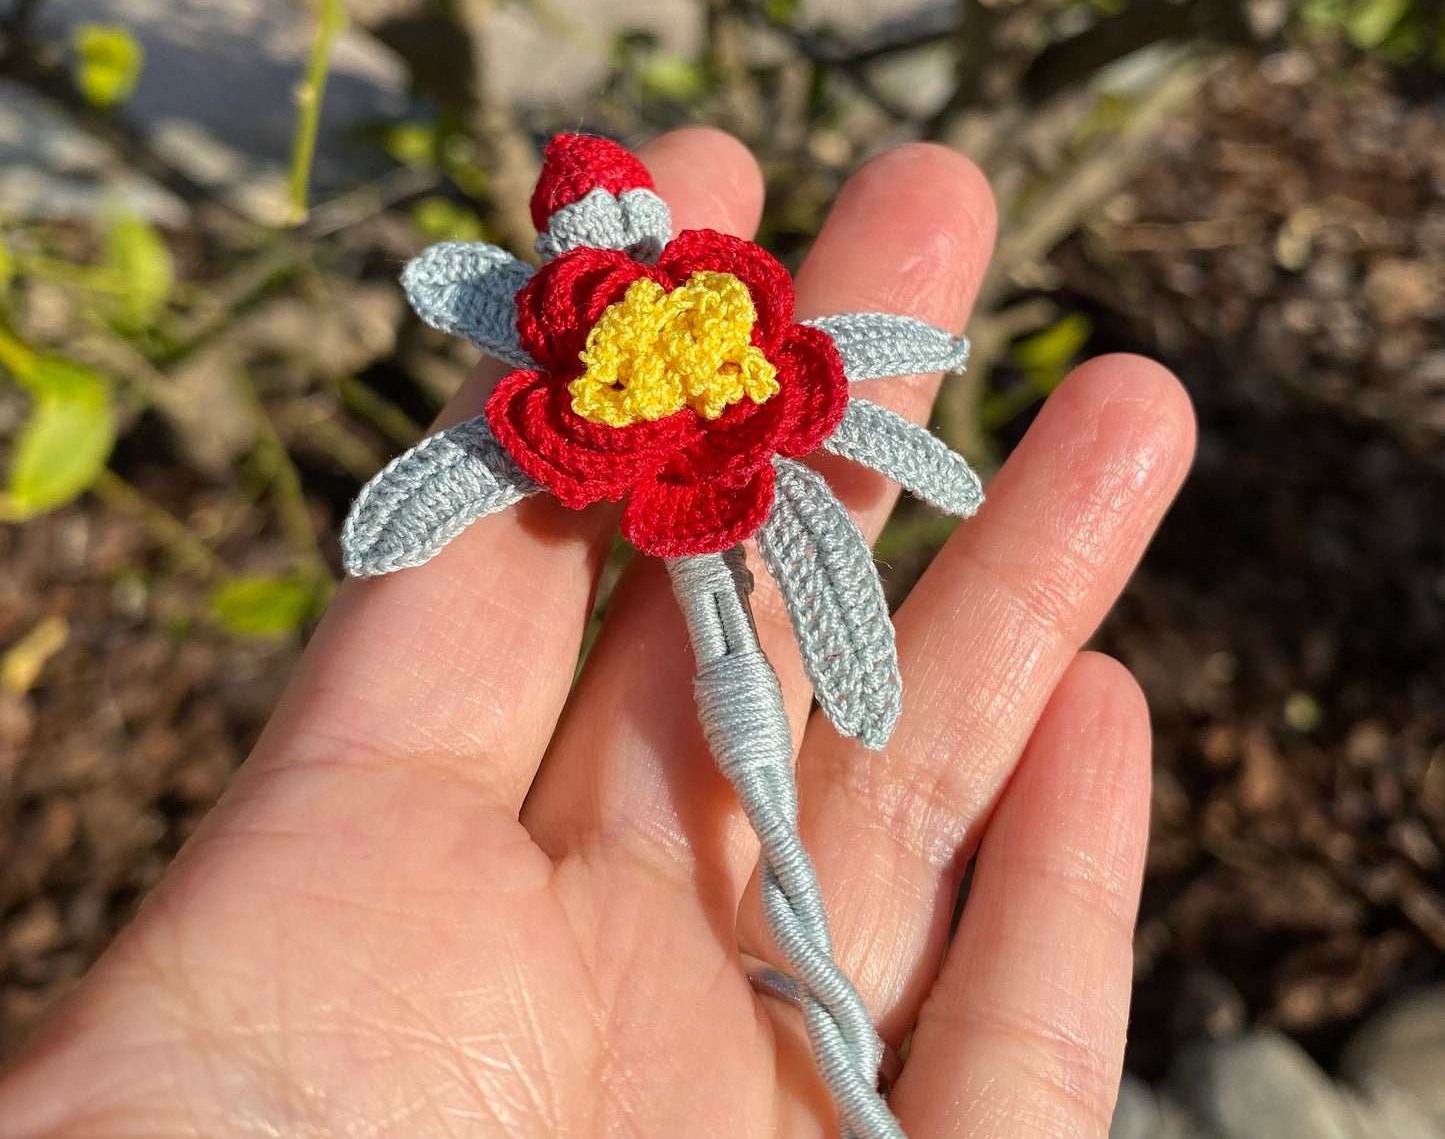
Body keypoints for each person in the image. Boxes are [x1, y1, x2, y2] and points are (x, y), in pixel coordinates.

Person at [0, 133, 1195, 1137]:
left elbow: (861, 370)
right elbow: (419, 486)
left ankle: (820, 1001)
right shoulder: (555, 367)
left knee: (811, 755)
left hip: (737, 490)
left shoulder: (754, 371)